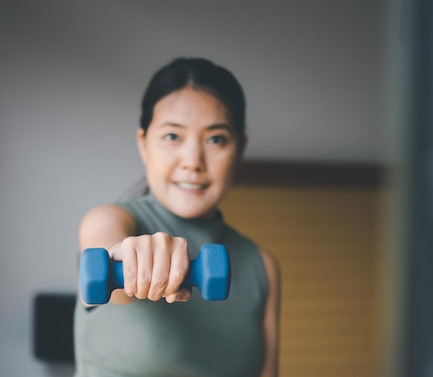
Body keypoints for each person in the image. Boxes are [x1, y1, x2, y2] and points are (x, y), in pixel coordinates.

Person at [73, 57, 281, 377]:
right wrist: (124, 255)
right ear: (144, 145)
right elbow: (104, 246)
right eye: (172, 136)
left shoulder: (262, 266)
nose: (193, 161)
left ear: (240, 150)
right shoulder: (111, 221)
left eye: (216, 139)